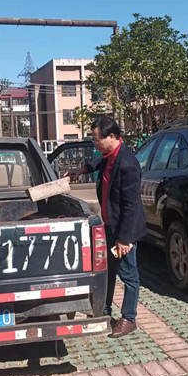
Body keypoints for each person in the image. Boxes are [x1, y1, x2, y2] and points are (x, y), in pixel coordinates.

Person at [67, 116, 147, 337]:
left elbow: (131, 206)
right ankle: (104, 310)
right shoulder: (109, 156)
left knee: (129, 275)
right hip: (110, 226)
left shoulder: (127, 164)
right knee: (108, 270)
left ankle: (129, 318)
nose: (95, 144)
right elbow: (98, 163)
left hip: (125, 230)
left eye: (97, 139)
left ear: (111, 136)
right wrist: (82, 169)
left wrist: (124, 240)